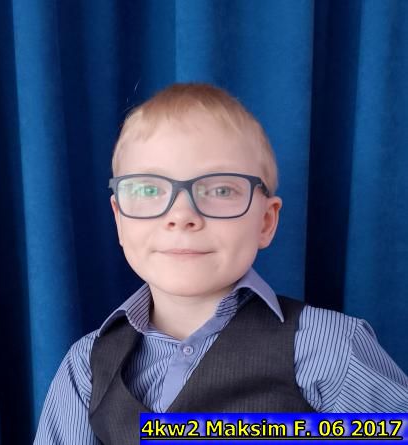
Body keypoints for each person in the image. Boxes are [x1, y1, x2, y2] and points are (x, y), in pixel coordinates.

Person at [34, 83, 408, 444]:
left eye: (220, 190)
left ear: (266, 221)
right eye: (149, 189)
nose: (181, 215)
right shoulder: (85, 366)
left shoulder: (329, 348)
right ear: (119, 219)